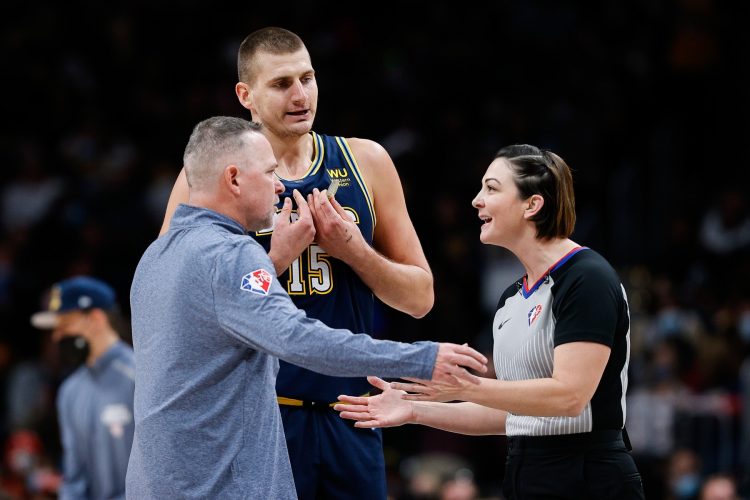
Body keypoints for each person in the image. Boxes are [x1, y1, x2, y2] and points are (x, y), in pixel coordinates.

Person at [127, 116, 486, 499]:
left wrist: (272, 263)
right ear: (233, 179)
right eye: (268, 173)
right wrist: (422, 358)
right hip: (219, 483)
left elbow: (218, 325)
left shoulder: (156, 255)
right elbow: (300, 339)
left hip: (158, 480)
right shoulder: (232, 254)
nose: (280, 184)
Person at [159, 27, 435, 499]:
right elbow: (169, 302)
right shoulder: (208, 176)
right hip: (260, 416)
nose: (301, 94)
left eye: (308, 78)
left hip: (353, 411)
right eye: (282, 83)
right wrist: (276, 259)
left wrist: (355, 251)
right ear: (245, 95)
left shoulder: (366, 161)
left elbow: (420, 299)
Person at [336, 145, 646, 499]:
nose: (476, 201)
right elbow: (513, 414)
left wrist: (467, 387)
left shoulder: (587, 278)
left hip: (589, 474)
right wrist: (415, 410)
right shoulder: (511, 299)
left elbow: (569, 397)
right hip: (525, 471)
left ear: (532, 204)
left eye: (492, 188)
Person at [30, 275, 135, 500]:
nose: (57, 336)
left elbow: (160, 470)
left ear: (96, 318)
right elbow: (74, 476)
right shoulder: (70, 391)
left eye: (65, 325)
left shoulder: (139, 377)